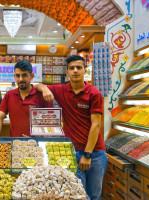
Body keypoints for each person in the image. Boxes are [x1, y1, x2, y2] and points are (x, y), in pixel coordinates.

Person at [35, 55, 107, 200]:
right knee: (77, 195)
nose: (75, 71)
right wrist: (45, 88)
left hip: (95, 153)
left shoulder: (94, 93)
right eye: (71, 68)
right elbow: (36, 84)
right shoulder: (61, 90)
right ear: (66, 72)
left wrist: (87, 154)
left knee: (94, 195)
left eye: (79, 67)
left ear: (84, 71)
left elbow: (96, 125)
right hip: (72, 151)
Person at [0, 59, 51, 137]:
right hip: (16, 144)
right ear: (14, 76)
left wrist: (36, 138)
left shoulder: (42, 95)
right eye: (18, 75)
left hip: (36, 145)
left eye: (24, 75)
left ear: (32, 76)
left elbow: (49, 122)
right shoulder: (9, 95)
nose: (20, 79)